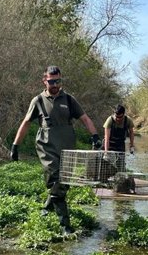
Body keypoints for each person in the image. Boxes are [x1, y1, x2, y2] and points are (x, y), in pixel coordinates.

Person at [10, 66, 101, 234]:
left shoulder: (69, 99)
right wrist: (16, 145)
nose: (55, 84)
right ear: (44, 81)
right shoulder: (37, 100)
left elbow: (85, 118)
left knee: (64, 182)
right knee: (55, 179)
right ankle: (65, 225)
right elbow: (26, 123)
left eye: (58, 81)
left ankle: (47, 207)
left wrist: (94, 136)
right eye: (51, 81)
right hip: (47, 147)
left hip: (67, 148)